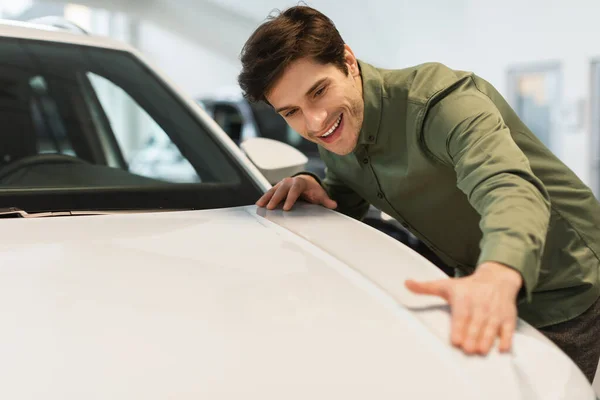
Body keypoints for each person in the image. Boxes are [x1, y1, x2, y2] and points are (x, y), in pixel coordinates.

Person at [237, 5, 600, 383]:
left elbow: (507, 186)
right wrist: (319, 189)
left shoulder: (443, 102)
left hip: (565, 281)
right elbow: (352, 186)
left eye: (319, 91)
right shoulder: (337, 126)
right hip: (473, 285)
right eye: (291, 111)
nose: (313, 121)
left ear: (347, 60)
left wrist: (498, 274)